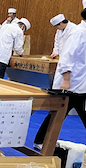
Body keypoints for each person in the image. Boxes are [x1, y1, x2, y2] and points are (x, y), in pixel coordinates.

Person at [33, 11, 86, 150]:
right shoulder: (78, 33)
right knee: (56, 114)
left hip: (80, 84)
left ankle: (40, 140)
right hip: (72, 84)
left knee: (57, 113)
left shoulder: (77, 31)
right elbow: (67, 57)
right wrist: (66, 79)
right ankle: (40, 140)